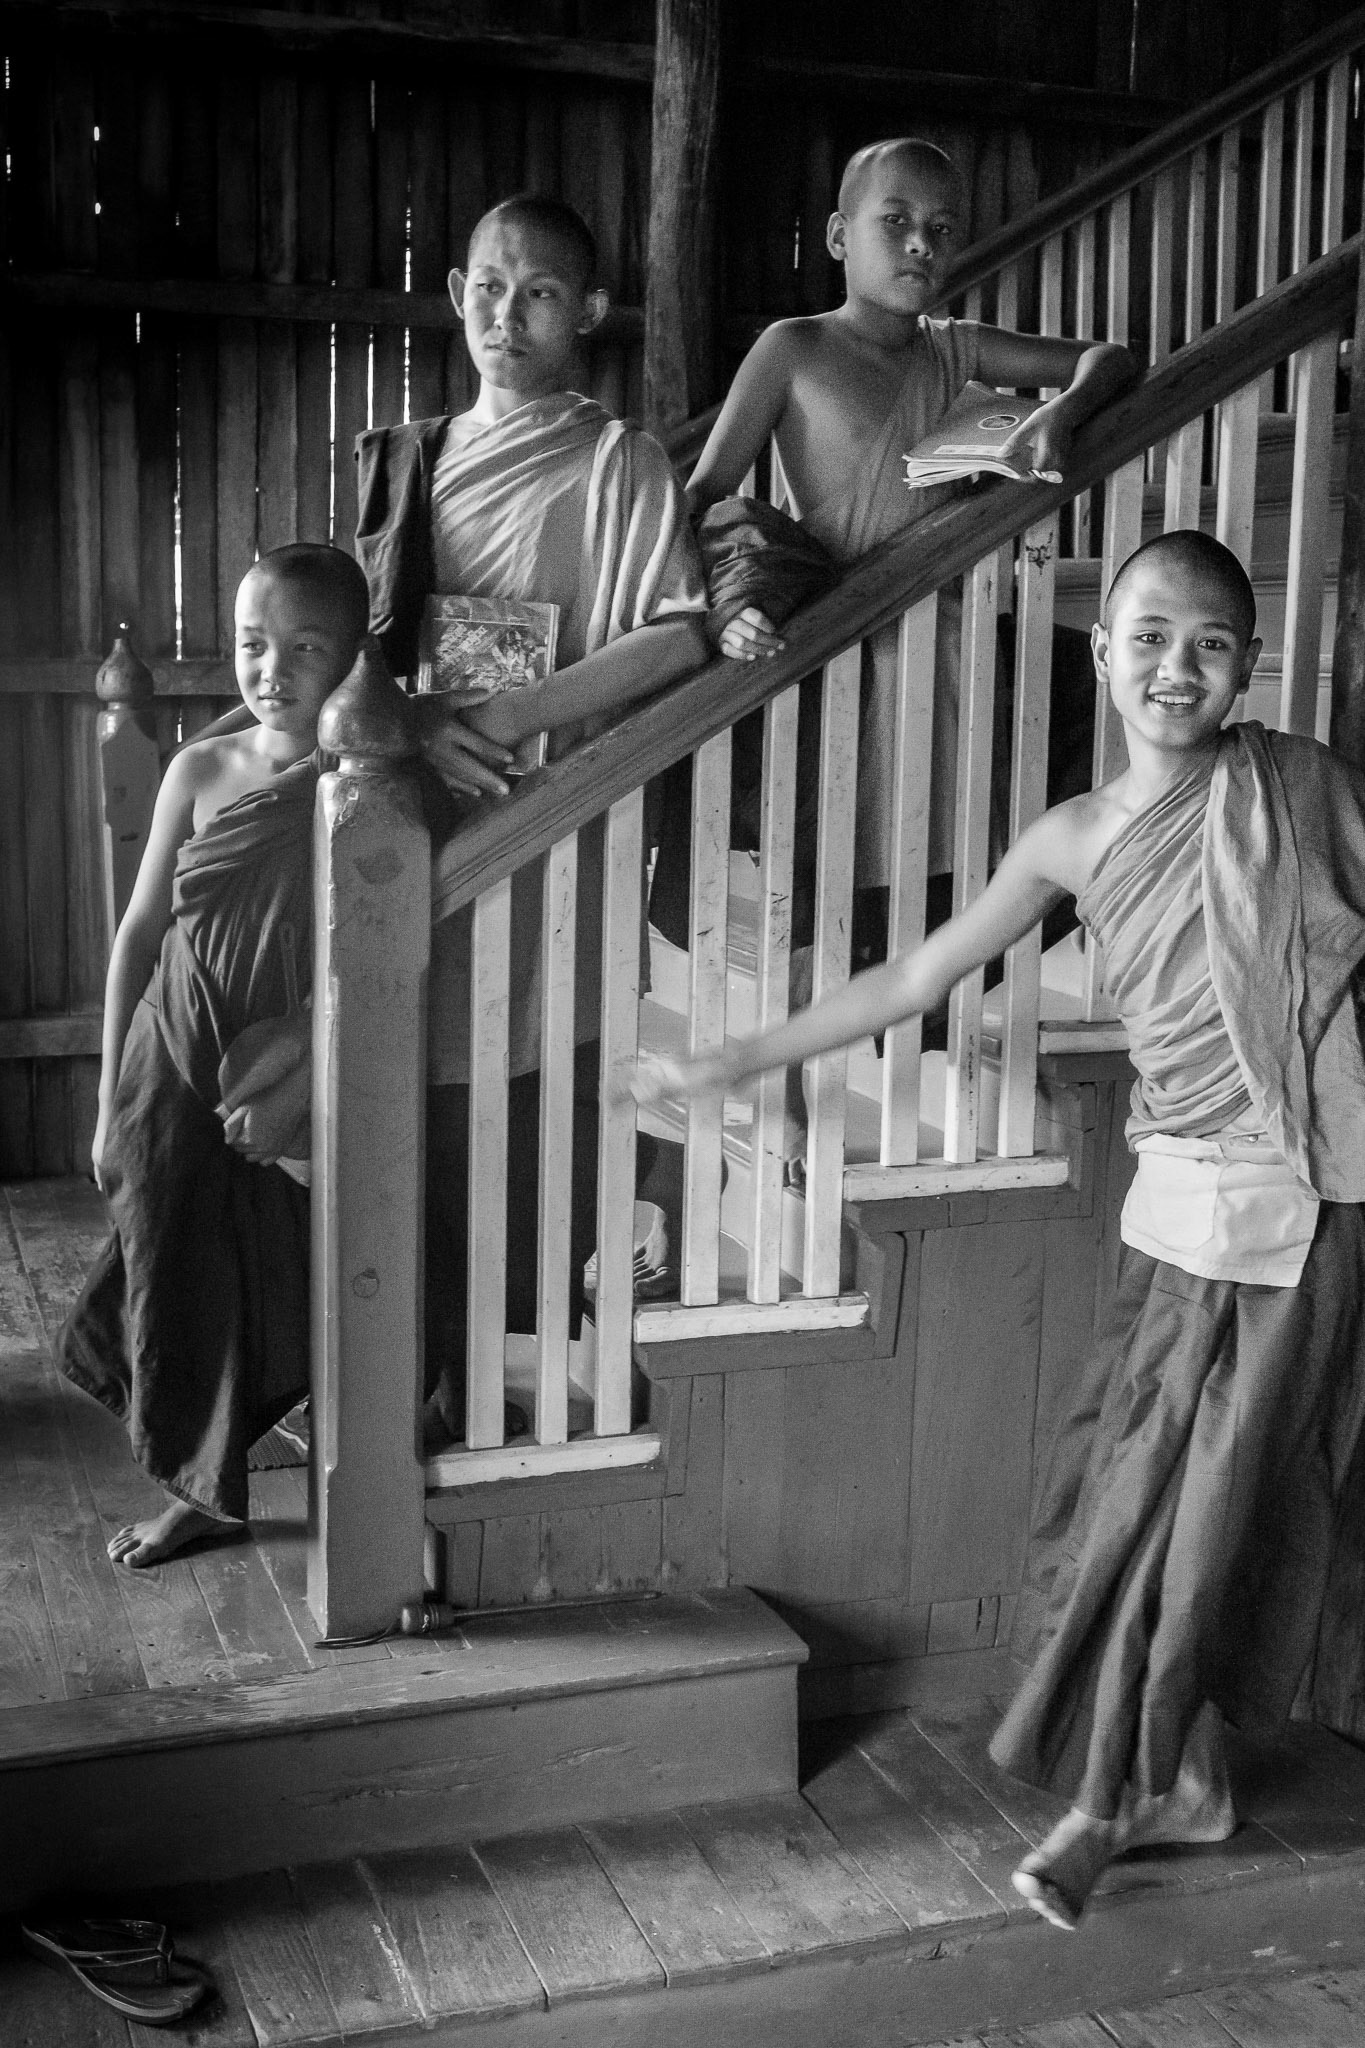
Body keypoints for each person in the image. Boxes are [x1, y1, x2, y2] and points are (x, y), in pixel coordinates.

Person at [632, 531, 1365, 1931]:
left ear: (1248, 663)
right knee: (1130, 1503)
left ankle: (1114, 1802)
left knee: (1205, 1521)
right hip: (1176, 1209)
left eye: (1210, 641)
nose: (1177, 667)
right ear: (1104, 652)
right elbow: (915, 973)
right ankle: (1178, 1778)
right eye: (1148, 636)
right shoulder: (1075, 837)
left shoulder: (1298, 786)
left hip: (1306, 1211)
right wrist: (737, 1058)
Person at [355, 193, 710, 1443]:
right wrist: (408, 721)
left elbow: (680, 631)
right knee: (404, 1116)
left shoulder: (621, 463)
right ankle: (396, 1395)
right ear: (456, 293)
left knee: (531, 1111)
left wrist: (508, 720)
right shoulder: (406, 457)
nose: (509, 314)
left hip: (554, 828)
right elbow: (353, 650)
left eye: (542, 292)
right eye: (490, 288)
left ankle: (491, 1400)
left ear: (590, 313)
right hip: (411, 825)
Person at [687, 136, 1136, 967]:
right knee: (824, 869)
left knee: (957, 858)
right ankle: (793, 1070)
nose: (920, 244)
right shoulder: (794, 348)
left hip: (950, 643)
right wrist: (716, 602)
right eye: (894, 222)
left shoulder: (957, 349)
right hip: (835, 644)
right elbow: (706, 491)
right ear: (836, 237)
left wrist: (1056, 416)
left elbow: (1111, 360)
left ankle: (929, 1024)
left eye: (940, 227)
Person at [58, 545, 372, 1567]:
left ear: (354, 654)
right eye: (250, 644)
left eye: (304, 646)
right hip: (169, 1052)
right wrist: (109, 1098)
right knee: (164, 1251)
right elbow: (138, 934)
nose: (270, 668)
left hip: (274, 1070)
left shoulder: (359, 785)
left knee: (267, 1254)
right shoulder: (198, 769)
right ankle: (195, 1486)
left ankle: (237, 1472)